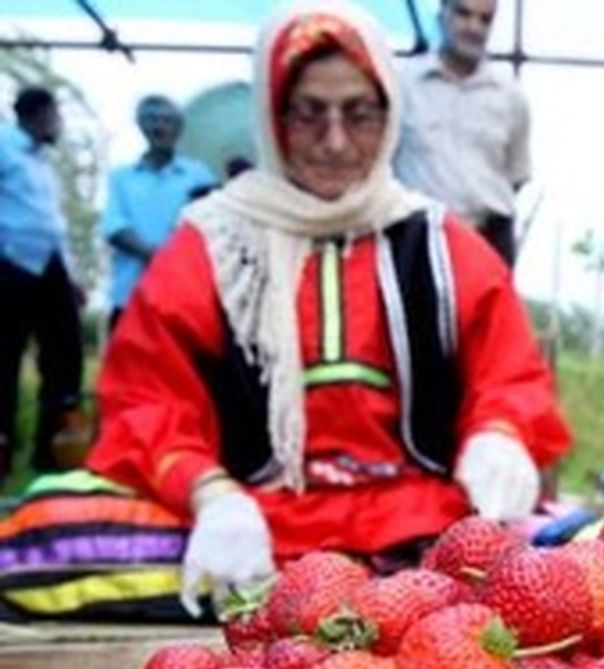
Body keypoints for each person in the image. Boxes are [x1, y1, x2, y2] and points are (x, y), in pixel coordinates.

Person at [84, 0, 570, 614]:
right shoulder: (214, 241)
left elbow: (510, 377)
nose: (336, 142)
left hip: (419, 518)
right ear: (271, 114)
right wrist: (208, 494)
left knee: (574, 553)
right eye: (310, 114)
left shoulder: (441, 241)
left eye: (359, 115)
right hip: (251, 518)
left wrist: (499, 438)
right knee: (54, 534)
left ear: (390, 115)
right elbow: (145, 399)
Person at [392, 0, 530, 267]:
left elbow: (516, 176)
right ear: (442, 14)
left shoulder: (510, 97)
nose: (473, 27)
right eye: (464, 14)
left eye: (485, 19)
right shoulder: (403, 86)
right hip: (416, 237)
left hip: (487, 240)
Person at [0, 86, 84, 483]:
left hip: (50, 268)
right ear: (36, 113)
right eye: (54, 115)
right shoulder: (4, 146)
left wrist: (71, 277)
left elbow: (54, 224)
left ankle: (52, 453)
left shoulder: (44, 164)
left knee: (65, 358)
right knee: (4, 360)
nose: (58, 124)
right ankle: (2, 454)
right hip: (11, 265)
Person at [101, 95, 215, 333]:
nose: (159, 127)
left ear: (178, 128)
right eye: (152, 120)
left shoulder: (199, 175)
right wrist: (159, 257)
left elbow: (213, 227)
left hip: (185, 298)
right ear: (141, 126)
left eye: (167, 121)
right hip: (131, 295)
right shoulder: (122, 177)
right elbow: (114, 228)